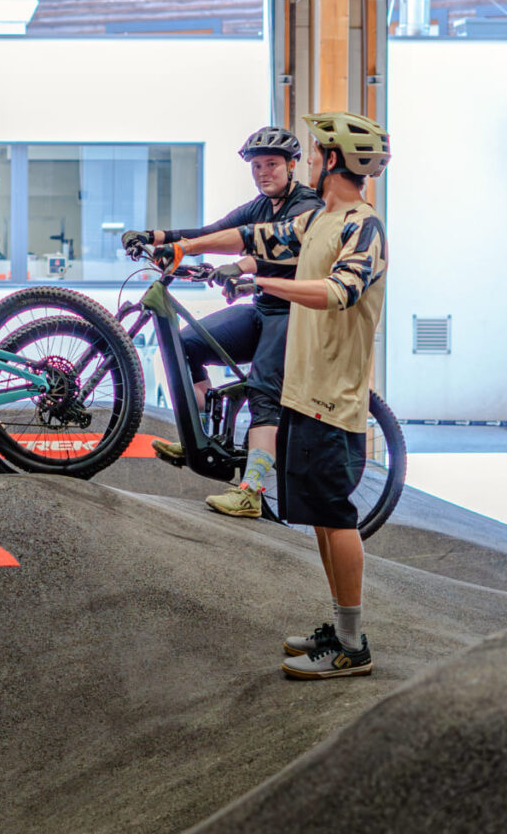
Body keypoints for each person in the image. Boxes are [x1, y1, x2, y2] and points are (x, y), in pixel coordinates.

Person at [170, 111, 390, 680]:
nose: (310, 161)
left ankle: (352, 645)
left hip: (334, 394)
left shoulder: (363, 225)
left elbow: (337, 291)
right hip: (304, 389)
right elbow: (252, 236)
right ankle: (341, 628)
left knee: (336, 518)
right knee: (319, 516)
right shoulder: (321, 219)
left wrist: (260, 280)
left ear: (336, 161)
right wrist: (179, 245)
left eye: (317, 154)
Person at [123, 126, 321, 518]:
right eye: (257, 166)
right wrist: (155, 236)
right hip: (263, 308)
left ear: (292, 166)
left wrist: (241, 264)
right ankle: (200, 436)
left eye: (272, 165)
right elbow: (212, 232)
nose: (264, 172)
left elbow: (275, 247)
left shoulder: (306, 206)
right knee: (187, 344)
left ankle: (250, 491)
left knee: (264, 392)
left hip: (295, 313)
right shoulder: (259, 205)